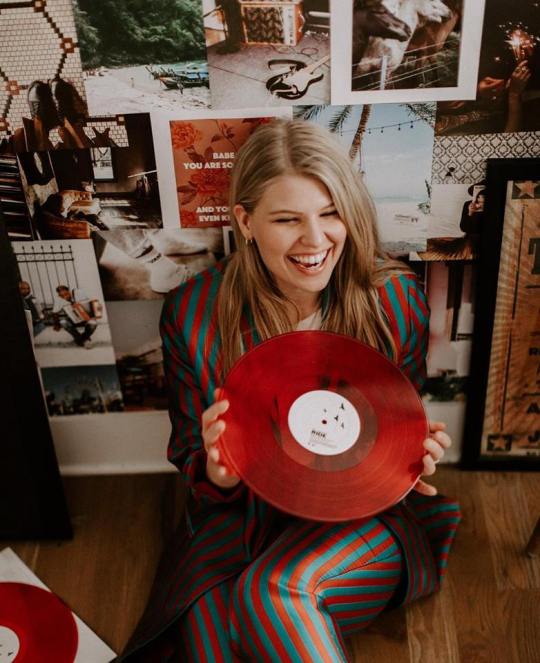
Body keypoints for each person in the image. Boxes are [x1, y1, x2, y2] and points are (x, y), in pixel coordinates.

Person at [118, 119, 461, 661]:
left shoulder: (395, 301)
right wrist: (218, 471)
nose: (316, 240)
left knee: (274, 593)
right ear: (246, 222)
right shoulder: (192, 314)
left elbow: (395, 429)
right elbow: (188, 452)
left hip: (359, 523)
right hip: (240, 521)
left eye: (330, 213)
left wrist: (409, 458)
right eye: (287, 219)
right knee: (213, 641)